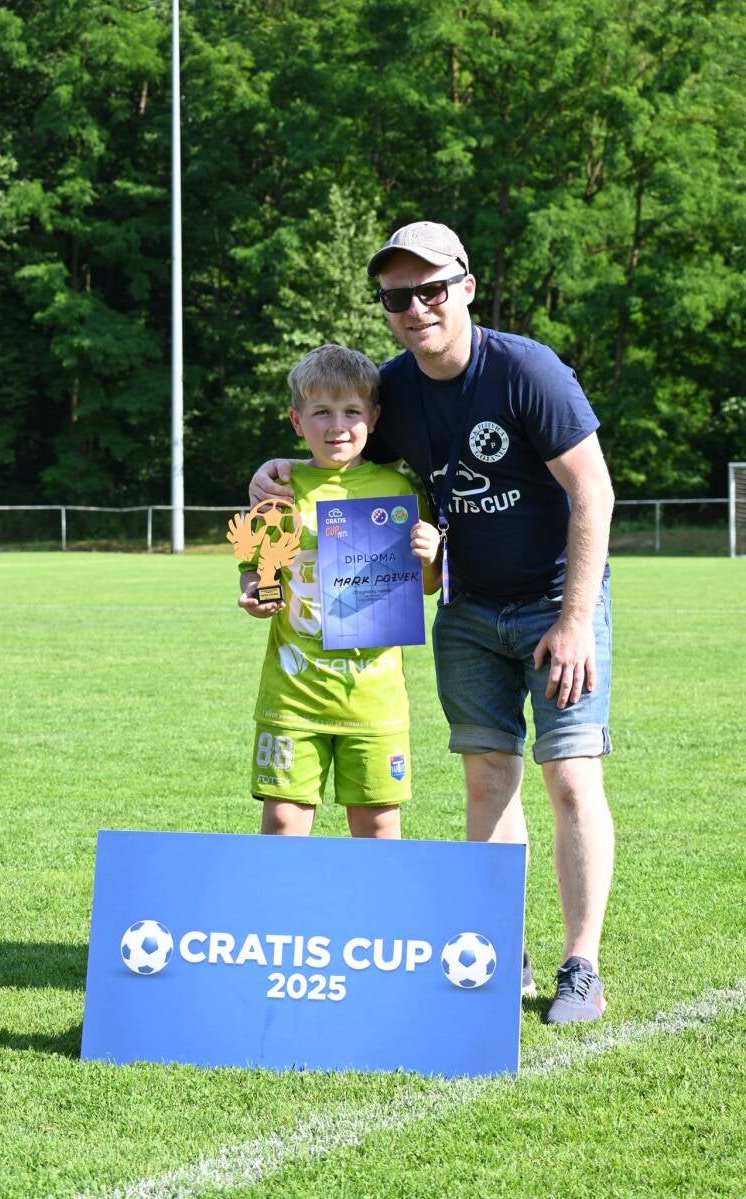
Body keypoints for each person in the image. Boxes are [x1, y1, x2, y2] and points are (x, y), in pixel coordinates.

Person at [249, 222, 616, 1024]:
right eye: (397, 297)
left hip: (557, 603)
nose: (416, 308)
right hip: (467, 607)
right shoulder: (392, 390)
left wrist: (576, 619)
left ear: (466, 288)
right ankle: (502, 949)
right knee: (488, 779)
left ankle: (579, 965)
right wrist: (269, 473)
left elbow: (593, 491)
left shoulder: (526, 371)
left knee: (570, 775)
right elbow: (332, 446)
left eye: (432, 290)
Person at [235, 342, 441, 841]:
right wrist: (255, 597)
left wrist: (431, 554)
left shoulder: (400, 491)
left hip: (373, 700)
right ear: (296, 420)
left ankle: (376, 903)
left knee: (378, 828)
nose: (338, 425)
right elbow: (255, 576)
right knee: (283, 824)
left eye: (351, 411)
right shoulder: (279, 491)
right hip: (294, 697)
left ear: (374, 416)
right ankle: (284, 899)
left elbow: (429, 586)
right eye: (321, 412)